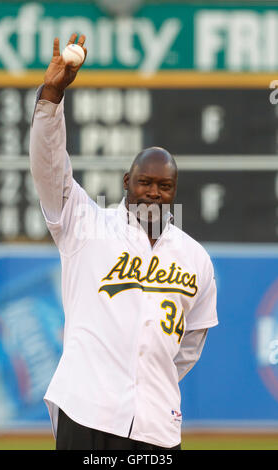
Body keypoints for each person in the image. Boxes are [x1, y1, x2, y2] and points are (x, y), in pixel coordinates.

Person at [29, 33, 218, 451]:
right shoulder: (84, 226)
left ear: (174, 191)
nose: (153, 192)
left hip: (158, 424)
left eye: (164, 186)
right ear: (126, 183)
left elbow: (189, 345)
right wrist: (51, 98)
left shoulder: (195, 258)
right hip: (87, 411)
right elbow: (49, 168)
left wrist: (148, 372)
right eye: (145, 182)